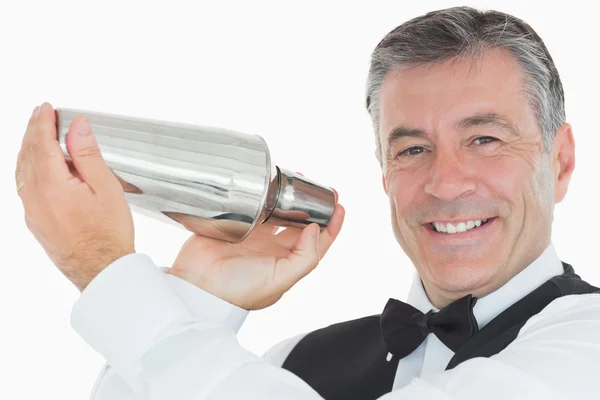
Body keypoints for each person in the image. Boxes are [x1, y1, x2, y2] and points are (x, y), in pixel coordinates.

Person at [15, 6, 600, 400]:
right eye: (413, 149)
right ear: (384, 174)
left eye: (485, 140)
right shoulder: (295, 361)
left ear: (560, 161)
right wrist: (197, 297)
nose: (446, 184)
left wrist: (104, 266)